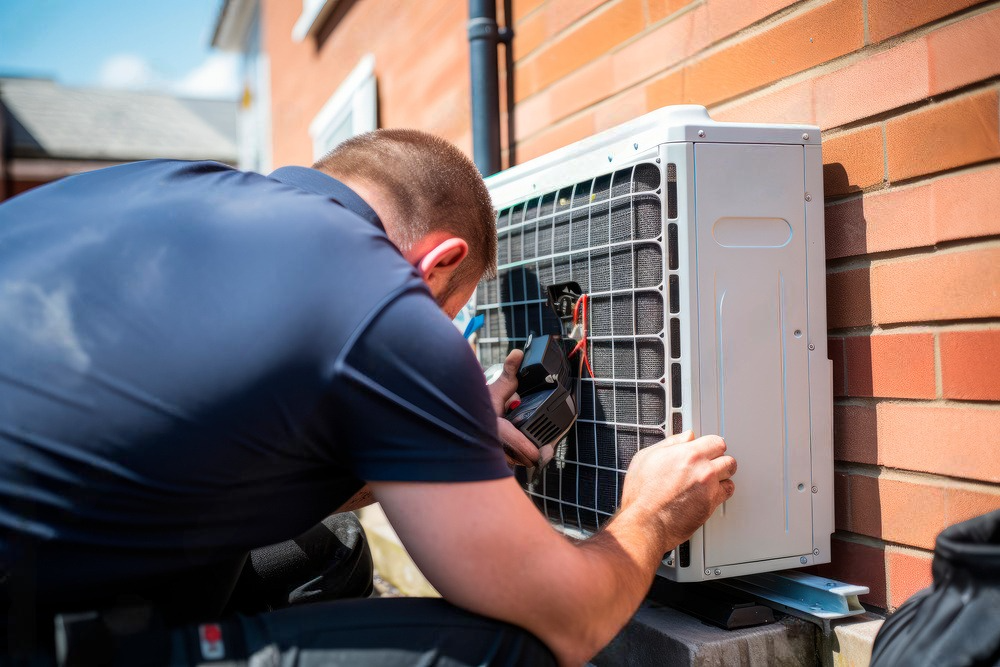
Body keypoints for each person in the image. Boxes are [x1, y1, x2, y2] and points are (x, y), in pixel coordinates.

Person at [0, 129, 736, 665]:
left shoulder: (161, 185)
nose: (438, 332)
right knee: (510, 651)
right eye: (450, 312)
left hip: (40, 571)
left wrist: (430, 444)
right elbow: (573, 620)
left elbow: (194, 439)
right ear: (440, 260)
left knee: (324, 553)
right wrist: (650, 517)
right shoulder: (374, 290)